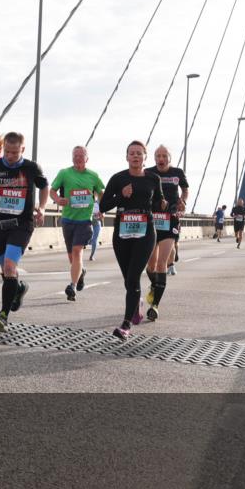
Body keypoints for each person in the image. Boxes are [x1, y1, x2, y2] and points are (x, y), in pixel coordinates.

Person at [0, 131, 49, 332]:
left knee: (8, 266)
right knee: (7, 273)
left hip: (22, 224)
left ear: (22, 150)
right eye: (7, 151)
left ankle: (3, 315)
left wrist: (41, 208)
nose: (9, 156)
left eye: (14, 153)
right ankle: (19, 287)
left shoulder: (31, 168)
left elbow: (44, 187)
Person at [100, 140, 165, 341]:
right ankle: (136, 304)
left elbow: (157, 202)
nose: (135, 156)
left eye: (139, 153)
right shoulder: (118, 178)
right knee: (129, 280)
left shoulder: (153, 179)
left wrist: (162, 204)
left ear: (145, 157)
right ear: (127, 157)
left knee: (132, 277)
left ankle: (126, 325)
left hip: (145, 233)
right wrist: (121, 195)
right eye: (132, 153)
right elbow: (103, 206)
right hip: (122, 233)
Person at [50, 146, 105, 301]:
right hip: (68, 220)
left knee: (77, 252)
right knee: (72, 258)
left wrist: (102, 208)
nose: (78, 158)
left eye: (81, 156)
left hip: (85, 221)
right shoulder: (64, 173)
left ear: (87, 158)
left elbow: (101, 193)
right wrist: (58, 200)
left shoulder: (93, 176)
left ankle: (72, 286)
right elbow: (52, 191)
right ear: (72, 157)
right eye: (75, 155)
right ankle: (81, 273)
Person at [144, 145, 189, 321]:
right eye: (158, 156)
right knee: (151, 265)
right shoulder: (148, 173)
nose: (161, 158)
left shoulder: (178, 172)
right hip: (151, 220)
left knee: (162, 262)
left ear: (169, 158)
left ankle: (155, 305)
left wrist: (183, 201)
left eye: (164, 156)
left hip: (170, 220)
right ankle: (155, 285)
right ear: (154, 158)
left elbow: (185, 189)